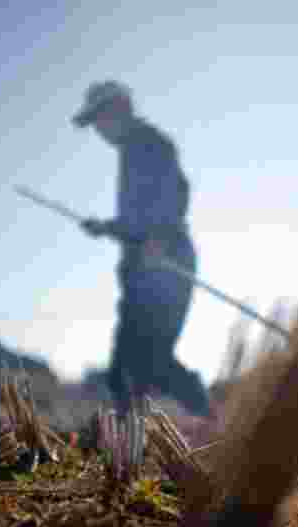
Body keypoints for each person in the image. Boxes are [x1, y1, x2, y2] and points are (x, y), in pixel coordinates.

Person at [72, 80, 213, 419]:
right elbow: (136, 221)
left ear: (118, 109)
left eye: (98, 119)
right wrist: (105, 227)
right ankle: (129, 438)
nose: (97, 129)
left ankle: (207, 419)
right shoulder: (129, 152)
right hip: (141, 269)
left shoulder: (148, 144)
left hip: (165, 263)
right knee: (129, 365)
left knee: (145, 359)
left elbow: (176, 193)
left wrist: (161, 238)